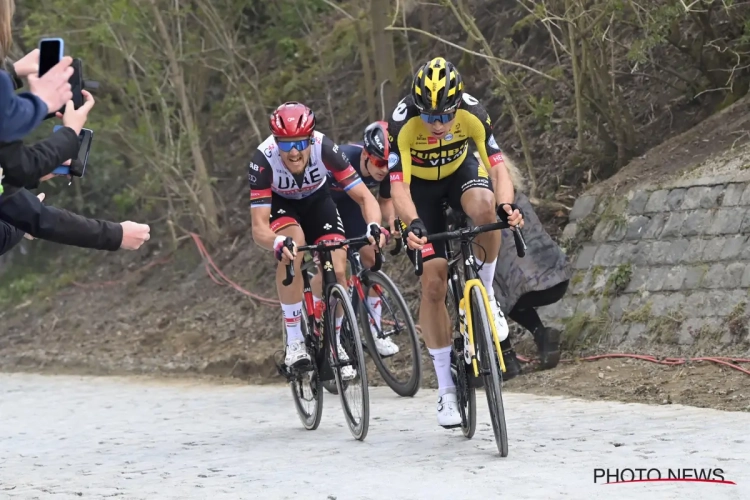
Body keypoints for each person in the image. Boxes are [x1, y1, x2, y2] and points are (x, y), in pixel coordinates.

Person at [388, 57, 524, 428]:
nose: (438, 124)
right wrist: (411, 222)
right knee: (433, 281)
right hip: (420, 191)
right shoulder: (401, 122)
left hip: (460, 172)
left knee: (485, 209)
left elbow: (497, 166)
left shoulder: (473, 113)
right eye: (429, 117)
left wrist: (506, 203)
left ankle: (488, 296)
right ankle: (446, 388)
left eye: (445, 115)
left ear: (457, 104)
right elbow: (397, 184)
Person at [249, 102, 385, 380]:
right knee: (293, 245)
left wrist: (374, 225)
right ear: (276, 143)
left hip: (317, 201)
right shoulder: (263, 160)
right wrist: (276, 243)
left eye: (300, 143)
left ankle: (335, 343)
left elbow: (364, 197)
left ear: (311, 138)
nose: (295, 152)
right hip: (282, 205)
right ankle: (295, 339)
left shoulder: (325, 149)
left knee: (337, 264)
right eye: (286, 145)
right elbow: (258, 227)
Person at [309, 120, 400, 357]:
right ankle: (316, 315)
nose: (383, 170)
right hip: (323, 206)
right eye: (378, 162)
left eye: (388, 164)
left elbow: (385, 201)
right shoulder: (343, 158)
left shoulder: (386, 170)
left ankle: (375, 331)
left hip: (353, 205)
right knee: (333, 269)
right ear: (366, 155)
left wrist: (386, 224)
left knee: (373, 258)